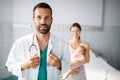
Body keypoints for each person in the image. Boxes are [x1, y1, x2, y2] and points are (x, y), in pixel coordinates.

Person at [5, 2, 71, 80]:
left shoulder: (62, 44)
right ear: (33, 19)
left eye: (47, 17)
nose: (43, 22)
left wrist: (59, 64)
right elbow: (9, 65)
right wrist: (24, 65)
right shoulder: (21, 43)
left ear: (51, 20)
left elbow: (69, 65)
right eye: (39, 17)